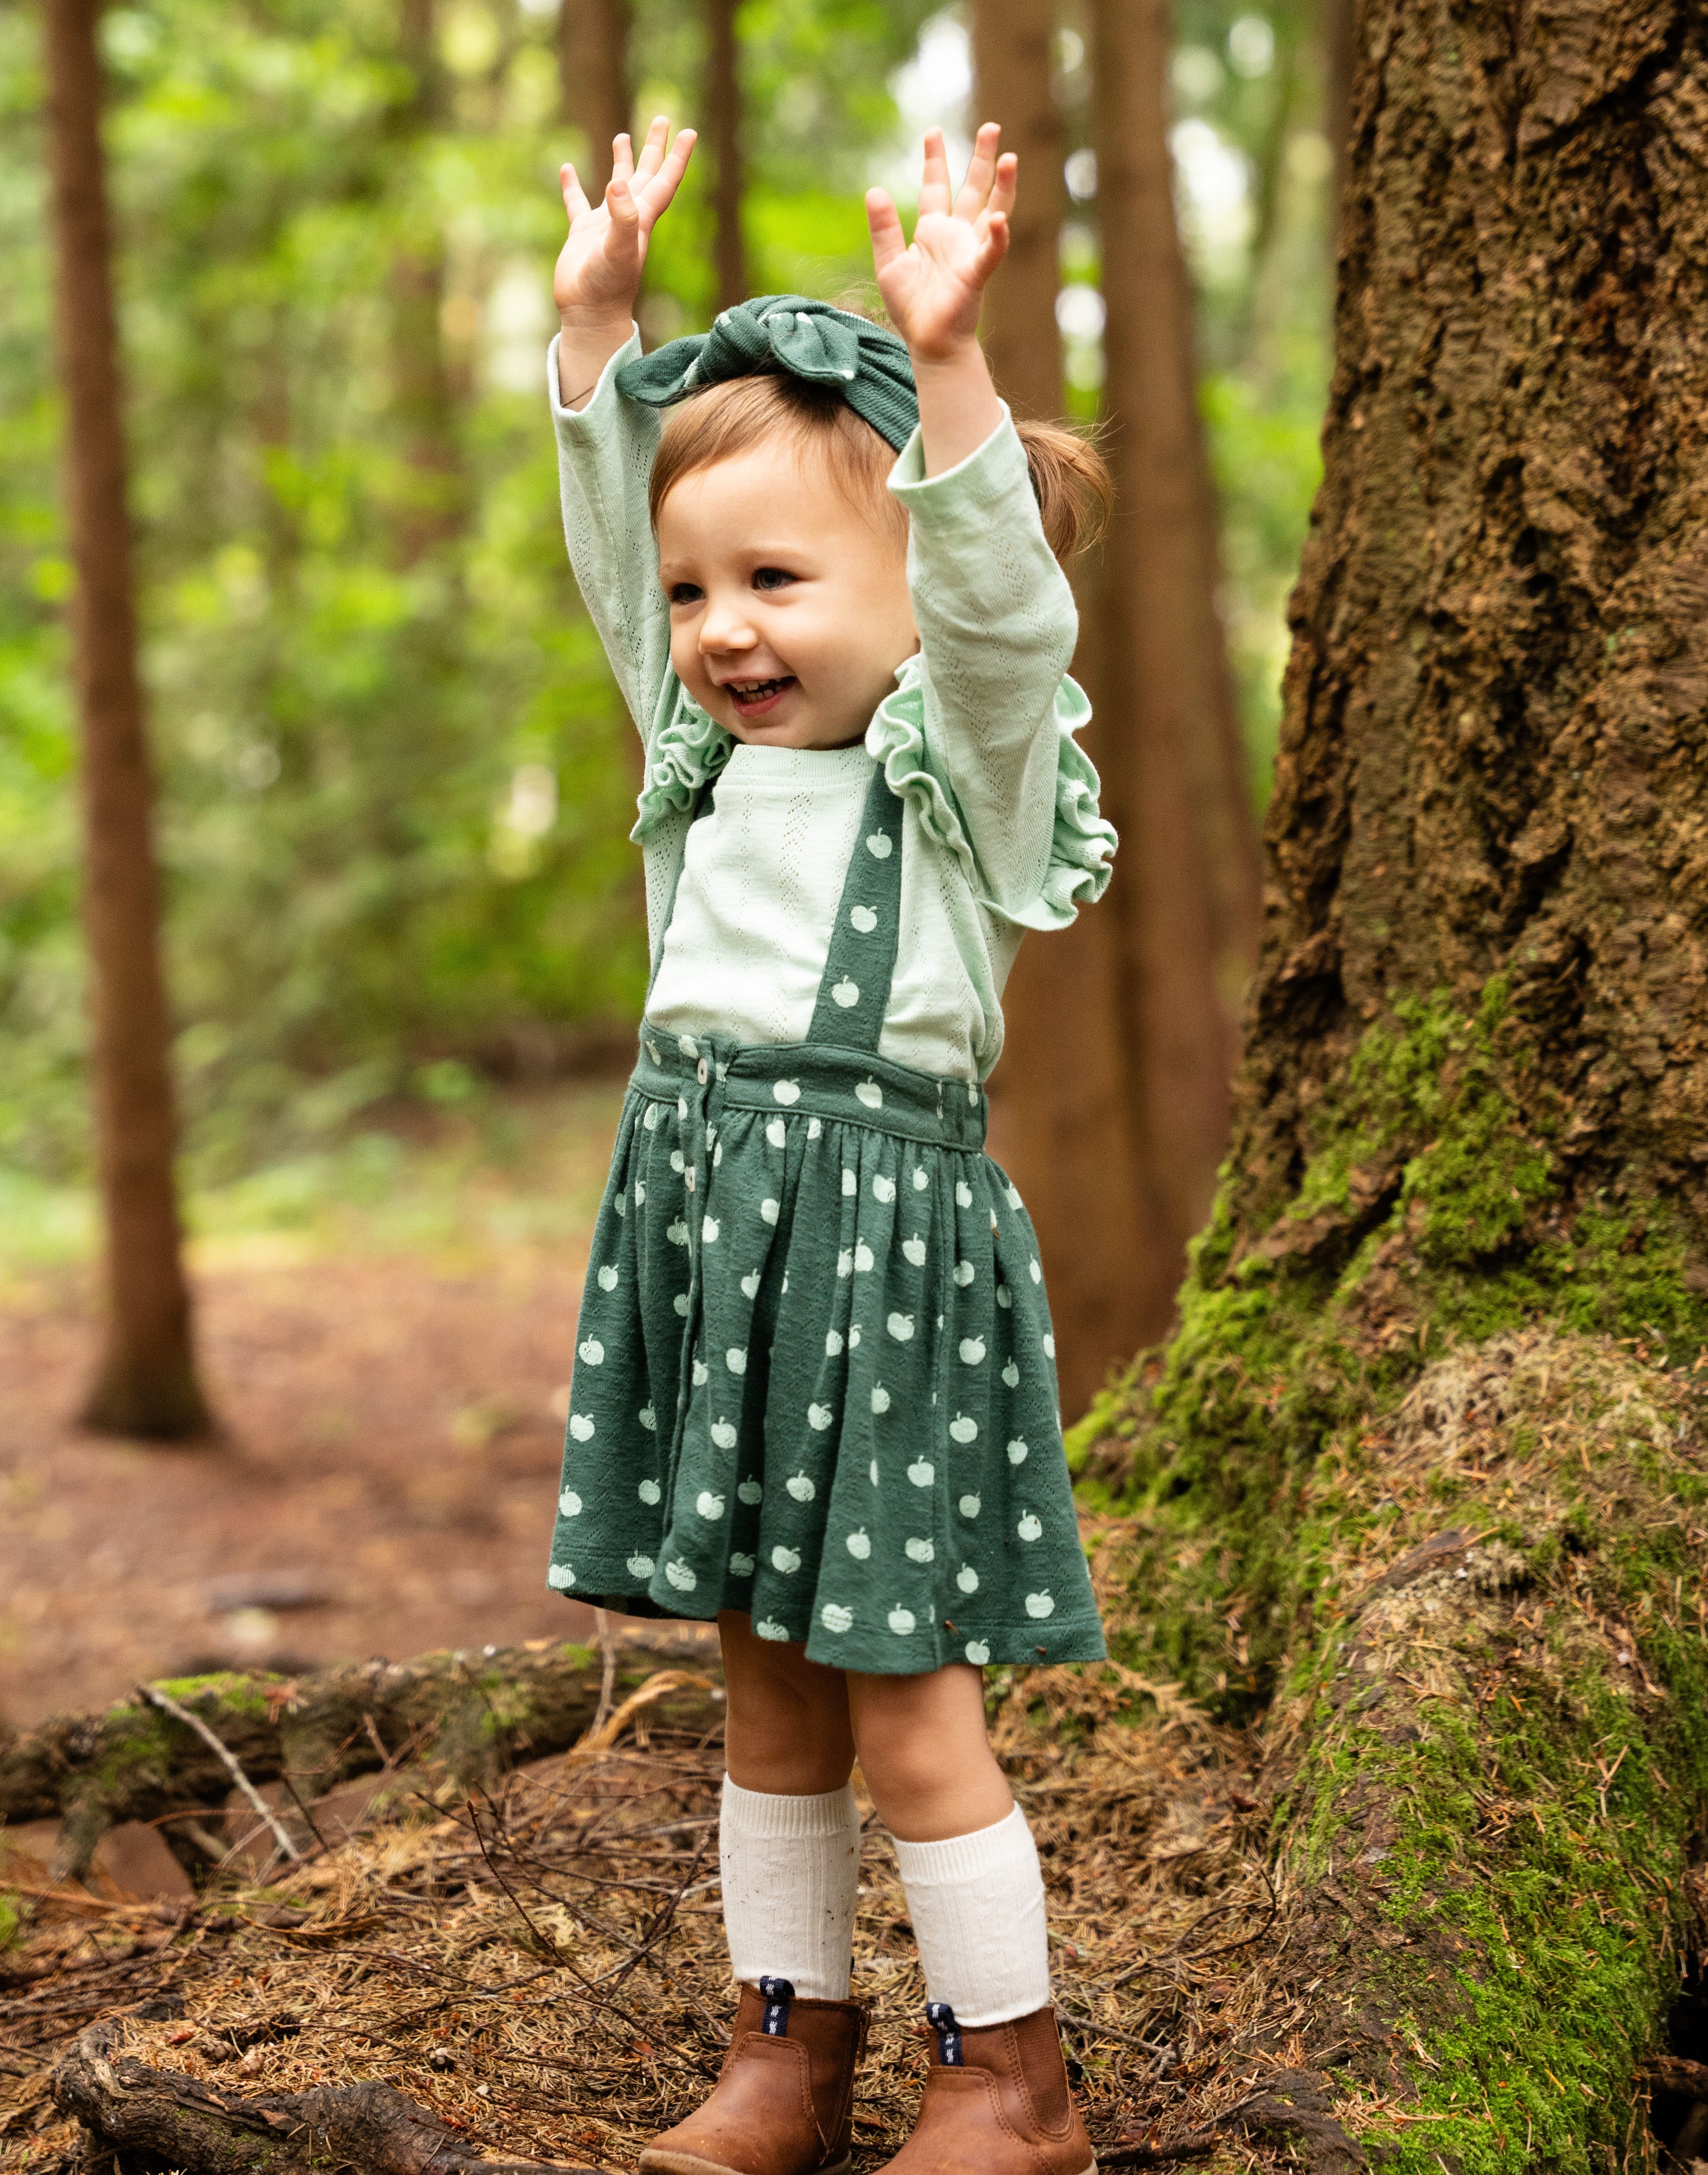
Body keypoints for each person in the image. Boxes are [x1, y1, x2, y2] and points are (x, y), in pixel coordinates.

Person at [545, 112, 1114, 2175]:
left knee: (901, 1691)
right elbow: (623, 553)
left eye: (776, 577)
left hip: (874, 1252)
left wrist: (942, 365)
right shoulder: (696, 759)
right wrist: (603, 326)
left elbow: (1001, 611)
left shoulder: (952, 758)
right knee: (763, 1686)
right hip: (704, 1227)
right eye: (702, 589)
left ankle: (1010, 2074)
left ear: (897, 586)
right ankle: (783, 2047)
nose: (719, 626)